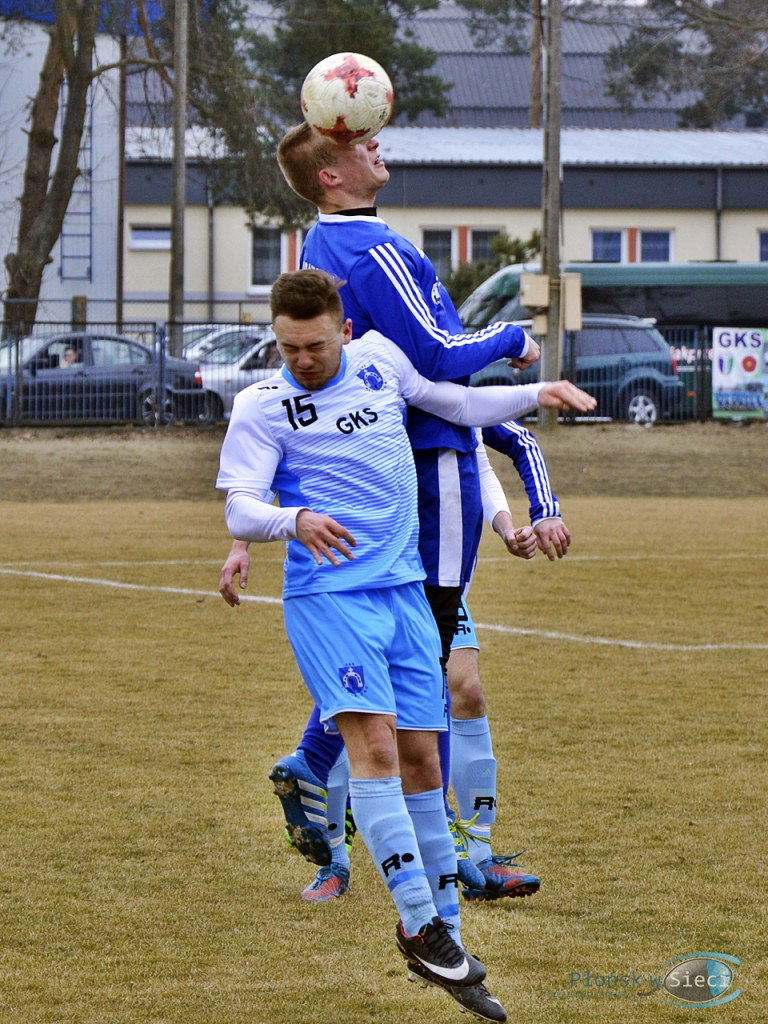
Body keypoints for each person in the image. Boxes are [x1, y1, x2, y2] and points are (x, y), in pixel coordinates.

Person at [217, 269, 595, 1022]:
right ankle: (421, 924)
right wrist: (290, 522)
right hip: (330, 601)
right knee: (378, 752)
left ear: (345, 331)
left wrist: (533, 394)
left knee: (425, 759)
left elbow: (452, 404)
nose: (303, 360)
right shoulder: (262, 405)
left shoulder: (384, 359)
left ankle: (447, 936)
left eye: (316, 345)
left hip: (405, 594)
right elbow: (242, 503)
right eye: (289, 347)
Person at [271, 122, 550, 899]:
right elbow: (437, 356)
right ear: (331, 173)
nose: (377, 149)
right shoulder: (374, 248)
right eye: (361, 143)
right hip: (431, 467)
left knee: (433, 670)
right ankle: (415, 842)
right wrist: (515, 338)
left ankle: (423, 838)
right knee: (418, 671)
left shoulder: (318, 251)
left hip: (389, 468)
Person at [221, 421, 569, 905]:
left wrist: (507, 525)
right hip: (379, 570)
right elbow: (290, 459)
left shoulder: (442, 375)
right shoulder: (369, 383)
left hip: (441, 573)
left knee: (463, 688)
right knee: (365, 711)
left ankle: (474, 851)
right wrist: (241, 545)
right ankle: (334, 856)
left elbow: (479, 458)